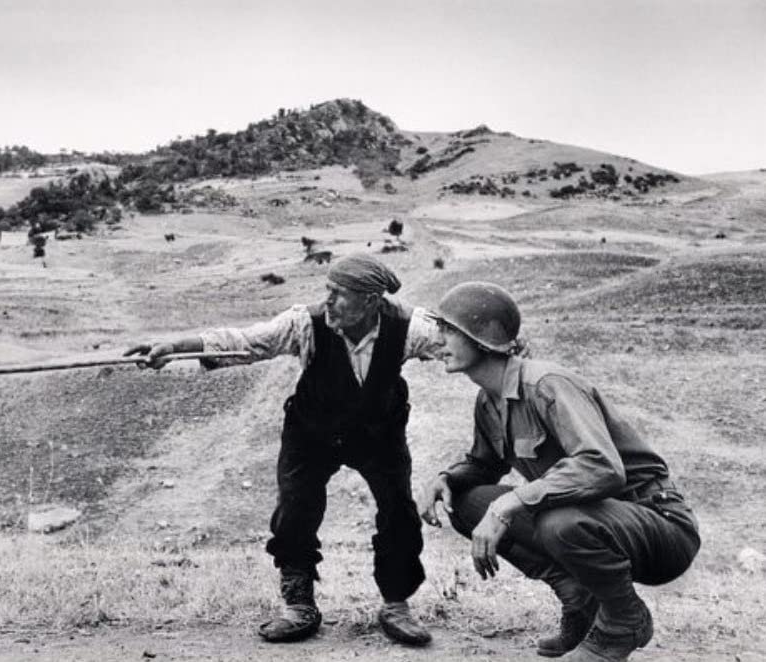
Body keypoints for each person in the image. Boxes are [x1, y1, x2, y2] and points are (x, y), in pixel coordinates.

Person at [125, 253, 442, 646]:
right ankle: (299, 605)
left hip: (378, 433)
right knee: (295, 510)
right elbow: (246, 342)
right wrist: (174, 347)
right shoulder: (304, 324)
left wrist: (507, 347)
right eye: (327, 291)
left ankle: (396, 604)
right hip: (312, 432)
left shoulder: (409, 326)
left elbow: (460, 341)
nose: (328, 302)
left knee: (398, 510)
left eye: (339, 295)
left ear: (371, 301)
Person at [418, 281, 700, 662]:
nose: (437, 340)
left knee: (557, 520)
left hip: (658, 526)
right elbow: (484, 465)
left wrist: (512, 503)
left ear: (482, 338)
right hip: (594, 521)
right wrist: (446, 480)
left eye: (448, 330)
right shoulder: (489, 401)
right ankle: (581, 603)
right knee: (467, 502)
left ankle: (623, 621)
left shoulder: (547, 384)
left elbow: (601, 467)